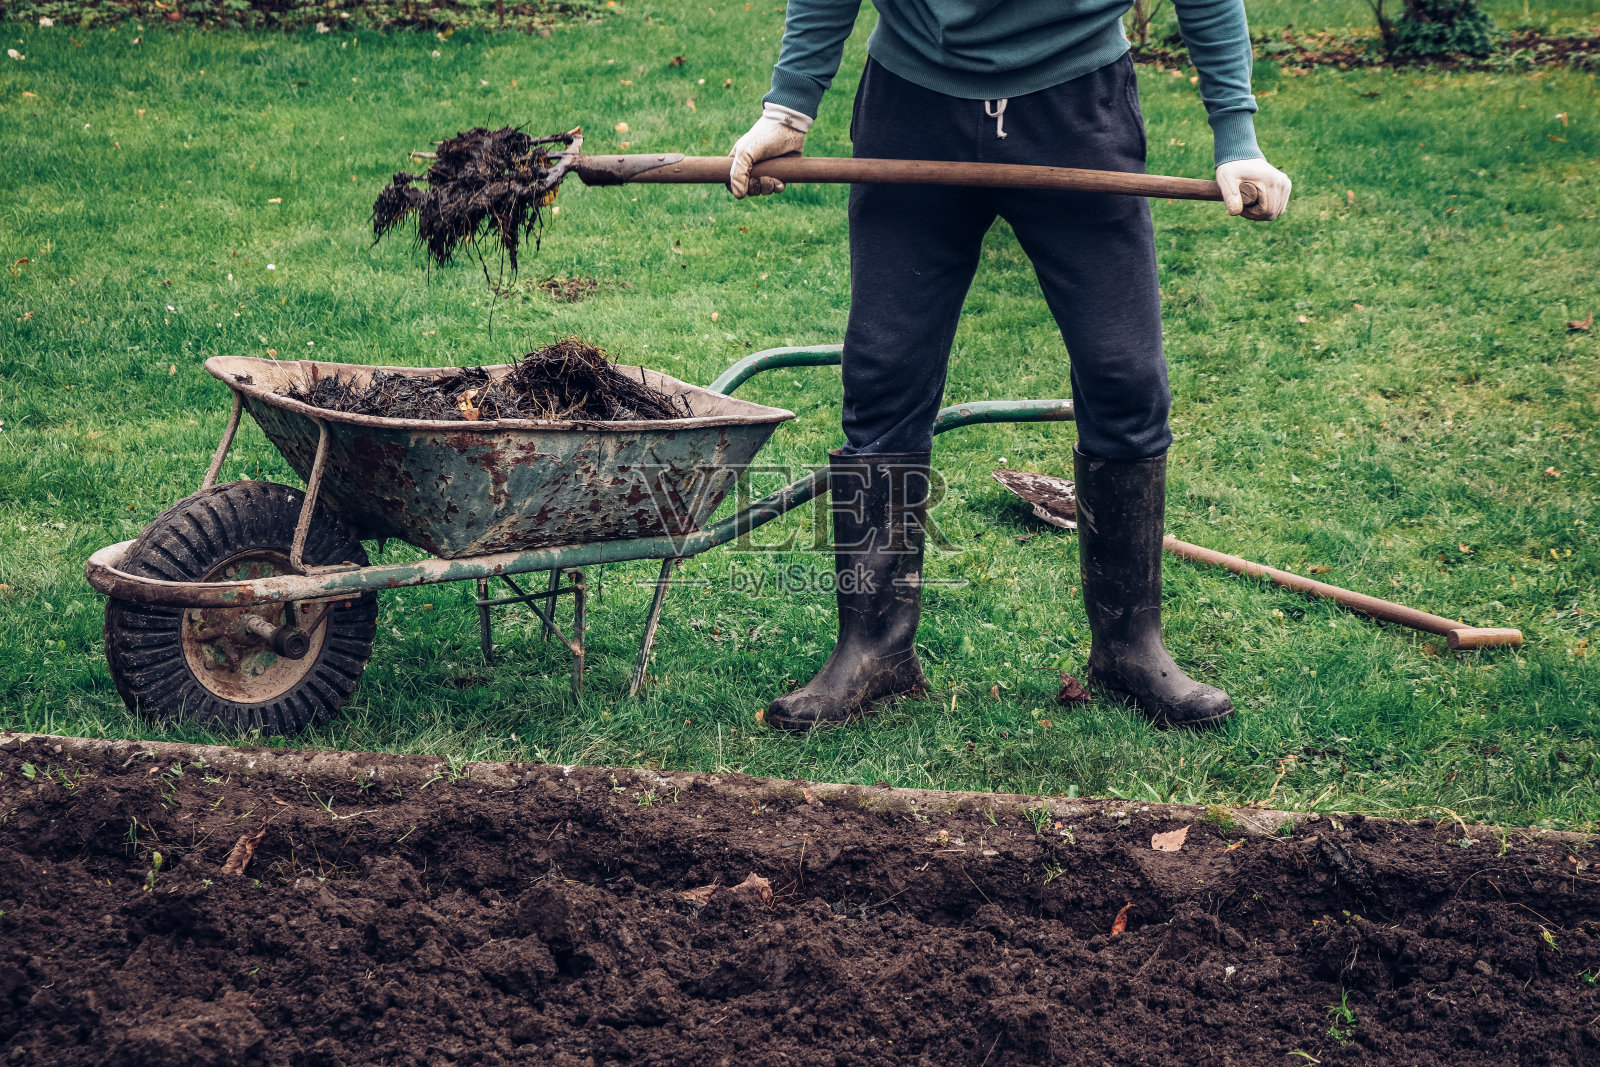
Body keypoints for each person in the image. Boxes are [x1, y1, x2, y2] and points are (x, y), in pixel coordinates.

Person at [730, 0, 1291, 733]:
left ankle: (1129, 648)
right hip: (914, 105)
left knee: (1124, 374)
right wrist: (790, 107)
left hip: (1075, 108)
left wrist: (1237, 136)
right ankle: (872, 651)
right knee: (883, 371)